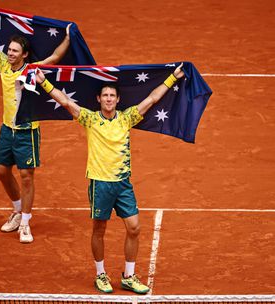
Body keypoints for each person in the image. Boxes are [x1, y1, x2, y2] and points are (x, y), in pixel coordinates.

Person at [34, 64, 184, 294]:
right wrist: (44, 82)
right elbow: (65, 102)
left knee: (134, 228)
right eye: (105, 95)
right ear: (98, 99)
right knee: (99, 230)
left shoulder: (127, 118)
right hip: (99, 183)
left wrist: (173, 77)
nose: (108, 99)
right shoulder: (90, 119)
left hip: (123, 183)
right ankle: (100, 274)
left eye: (112, 95)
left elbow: (152, 99)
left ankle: (129, 275)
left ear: (117, 99)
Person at [0, 4, 72, 243]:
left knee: (26, 175)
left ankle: (25, 222)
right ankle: (17, 210)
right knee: (1, 172)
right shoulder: (3, 64)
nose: (10, 53)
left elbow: (55, 57)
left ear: (25, 54)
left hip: (28, 131)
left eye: (15, 51)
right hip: (7, 129)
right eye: (10, 50)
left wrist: (68, 36)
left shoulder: (33, 70)